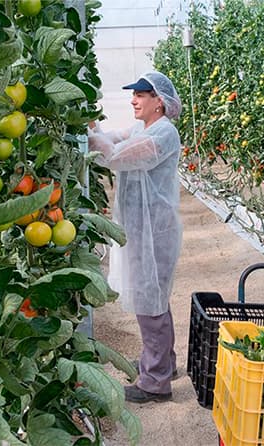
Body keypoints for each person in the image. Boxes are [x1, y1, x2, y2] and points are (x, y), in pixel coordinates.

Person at [88, 71, 183, 403]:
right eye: (134, 95)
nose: (134, 100)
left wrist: (89, 134)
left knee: (150, 300)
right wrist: (95, 129)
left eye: (141, 95)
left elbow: (115, 156)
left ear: (159, 101)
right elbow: (113, 138)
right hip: (144, 227)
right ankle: (162, 364)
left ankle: (155, 382)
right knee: (154, 297)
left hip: (153, 231)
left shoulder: (163, 133)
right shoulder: (144, 128)